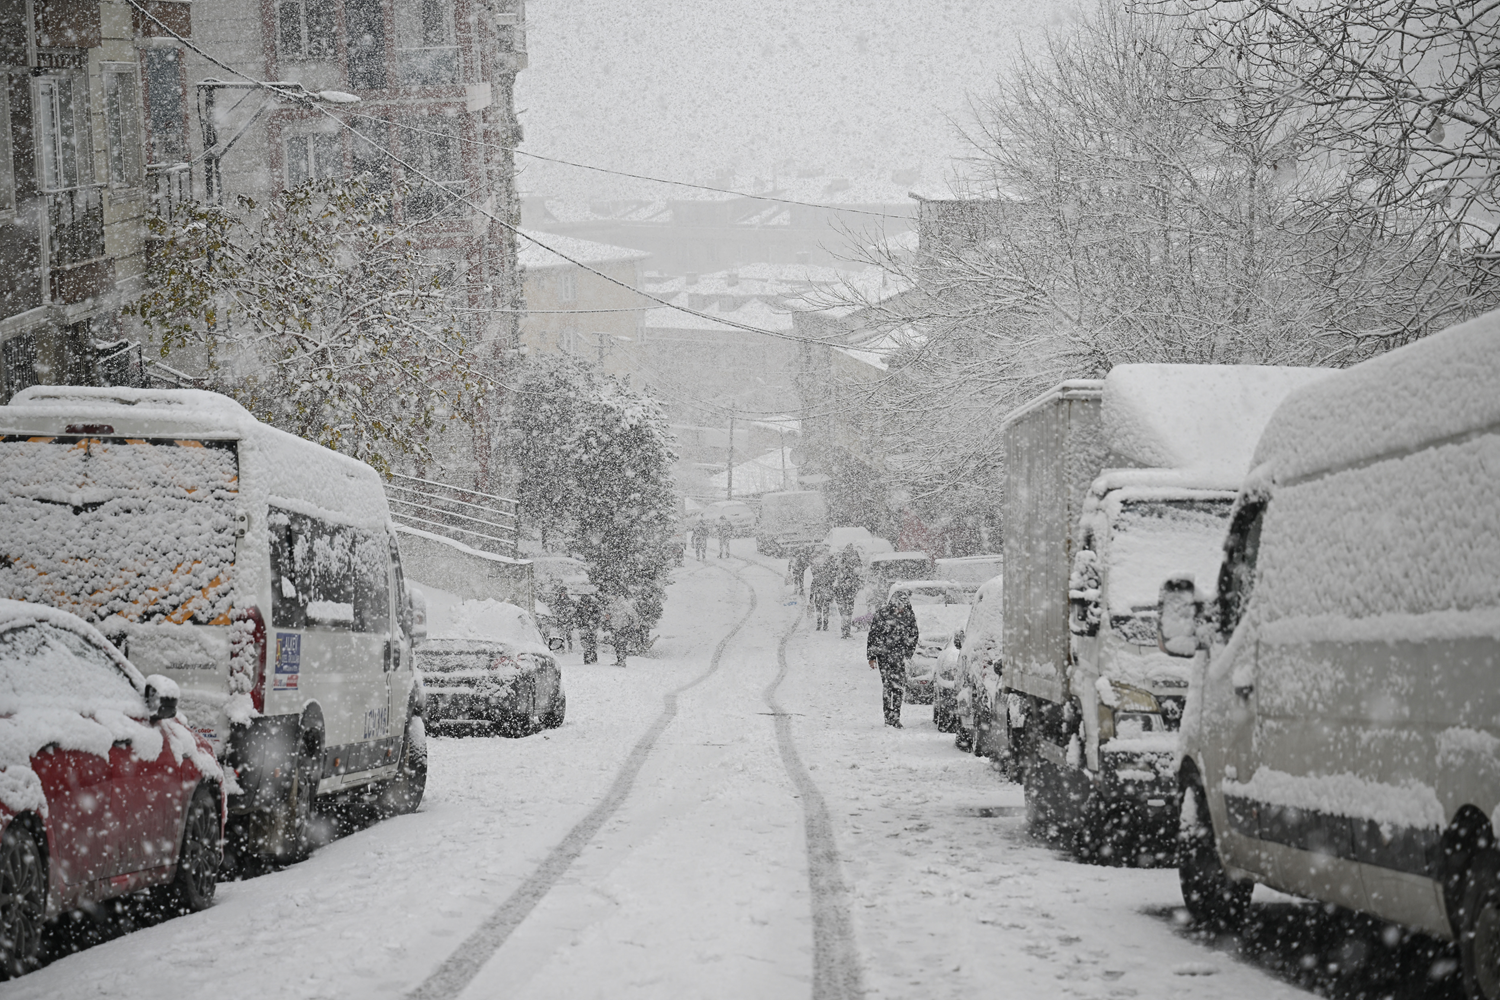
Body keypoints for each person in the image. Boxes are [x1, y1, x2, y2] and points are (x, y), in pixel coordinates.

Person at [867, 589, 919, 727]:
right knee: (887, 685)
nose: (900, 610)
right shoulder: (882, 614)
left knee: (898, 687)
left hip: (899, 656)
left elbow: (914, 634)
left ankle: (895, 717)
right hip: (884, 656)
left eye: (902, 607)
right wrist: (872, 656)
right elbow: (873, 635)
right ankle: (888, 716)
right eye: (898, 606)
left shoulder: (909, 615)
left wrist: (908, 652)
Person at [833, 543, 863, 639]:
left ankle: (845, 631)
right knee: (847, 612)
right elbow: (857, 572)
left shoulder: (842, 562)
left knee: (845, 612)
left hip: (844, 591)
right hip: (846, 591)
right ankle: (846, 631)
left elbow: (837, 573)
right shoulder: (849, 564)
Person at [604, 592, 640, 667]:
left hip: (623, 627)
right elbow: (610, 614)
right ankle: (620, 660)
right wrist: (608, 617)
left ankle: (622, 661)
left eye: (613, 597)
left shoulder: (624, 605)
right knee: (618, 644)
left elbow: (634, 614)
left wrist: (636, 624)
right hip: (616, 627)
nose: (612, 598)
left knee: (621, 644)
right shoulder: (614, 605)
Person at [575, 585, 602, 664]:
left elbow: (597, 616)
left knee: (591, 643)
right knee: (587, 644)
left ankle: (592, 658)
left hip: (590, 627)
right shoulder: (581, 607)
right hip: (585, 627)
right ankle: (588, 658)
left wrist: (593, 623)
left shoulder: (593, 607)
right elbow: (577, 617)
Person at [809, 550, 835, 631]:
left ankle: (819, 623)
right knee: (826, 608)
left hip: (819, 593)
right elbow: (831, 584)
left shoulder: (817, 575)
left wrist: (811, 596)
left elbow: (813, 584)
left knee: (819, 609)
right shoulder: (829, 575)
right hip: (825, 592)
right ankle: (825, 624)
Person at [550, 584, 576, 652]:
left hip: (567, 620)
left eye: (564, 592)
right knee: (561, 636)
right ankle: (562, 649)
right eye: (562, 592)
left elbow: (572, 609)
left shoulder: (568, 600)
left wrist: (568, 614)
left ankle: (570, 649)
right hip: (561, 620)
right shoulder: (558, 600)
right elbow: (555, 609)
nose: (563, 593)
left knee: (568, 636)